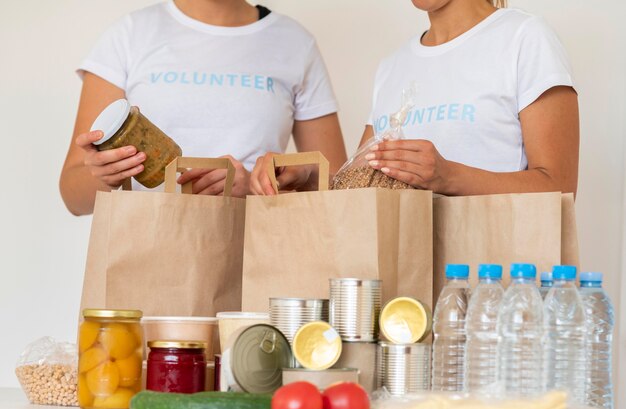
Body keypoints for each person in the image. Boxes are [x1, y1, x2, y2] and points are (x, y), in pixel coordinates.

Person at [250, 0, 579, 196]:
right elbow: (357, 184)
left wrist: (447, 176)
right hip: (404, 295)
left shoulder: (525, 37)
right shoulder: (393, 65)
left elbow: (560, 188)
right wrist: (304, 174)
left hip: (496, 296)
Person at [60, 0, 347, 215]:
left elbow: (340, 187)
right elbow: (73, 196)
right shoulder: (130, 35)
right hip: (146, 262)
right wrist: (107, 176)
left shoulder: (295, 43)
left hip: (254, 262)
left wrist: (256, 187)